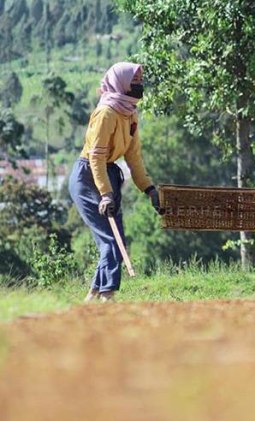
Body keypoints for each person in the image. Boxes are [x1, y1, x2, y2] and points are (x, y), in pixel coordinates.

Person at [68, 62, 160, 302]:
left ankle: (93, 295)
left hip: (108, 174)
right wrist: (106, 194)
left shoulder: (130, 114)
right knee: (110, 239)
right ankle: (108, 294)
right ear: (121, 82)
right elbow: (96, 156)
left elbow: (133, 157)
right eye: (135, 80)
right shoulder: (106, 113)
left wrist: (149, 188)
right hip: (88, 176)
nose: (139, 84)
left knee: (117, 236)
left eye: (140, 80)